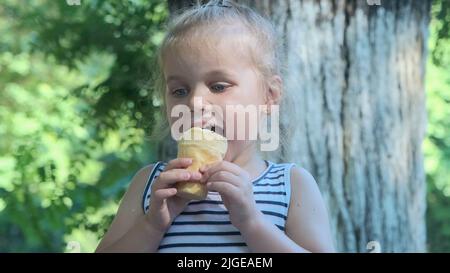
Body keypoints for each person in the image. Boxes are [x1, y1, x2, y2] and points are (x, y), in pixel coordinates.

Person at [96, 0, 335, 253]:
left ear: (269, 95)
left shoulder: (290, 184)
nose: (195, 102)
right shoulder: (151, 184)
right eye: (179, 90)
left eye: (219, 86)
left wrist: (252, 222)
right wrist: (152, 225)